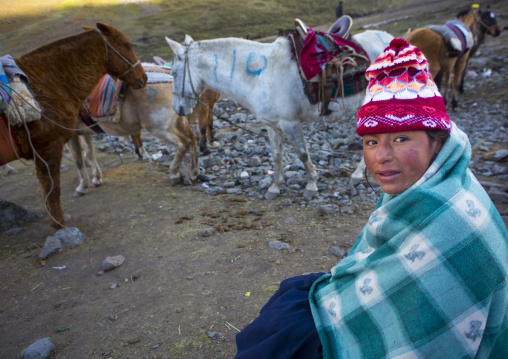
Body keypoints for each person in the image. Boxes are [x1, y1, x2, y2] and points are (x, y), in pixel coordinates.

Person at [235, 38, 508, 358]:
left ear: (437, 141)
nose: (381, 157)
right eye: (371, 141)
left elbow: (428, 335)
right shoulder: (436, 181)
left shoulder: (451, 223)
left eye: (402, 138)